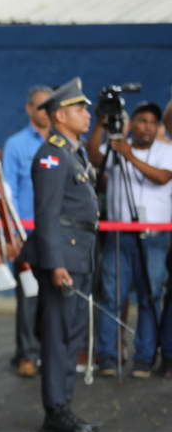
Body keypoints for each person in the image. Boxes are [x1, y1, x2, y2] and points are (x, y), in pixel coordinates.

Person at [16, 78, 100, 432]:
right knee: (58, 334)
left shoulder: (72, 151)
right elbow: (47, 214)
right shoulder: (51, 154)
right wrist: (55, 263)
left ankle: (64, 403)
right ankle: (55, 409)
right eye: (81, 109)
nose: (88, 114)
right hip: (64, 255)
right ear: (60, 115)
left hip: (79, 253)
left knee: (72, 334)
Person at [86, 101, 172, 378]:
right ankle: (108, 356)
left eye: (153, 122)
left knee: (150, 297)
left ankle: (144, 358)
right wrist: (100, 123)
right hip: (119, 235)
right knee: (112, 295)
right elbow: (93, 158)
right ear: (131, 124)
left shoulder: (166, 150)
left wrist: (130, 156)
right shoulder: (116, 147)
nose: (148, 126)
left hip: (154, 237)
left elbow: (161, 177)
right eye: (142, 120)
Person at [2, 86, 53, 377]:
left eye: (49, 107)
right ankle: (27, 354)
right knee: (29, 296)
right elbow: (8, 191)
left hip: (56, 231)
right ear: (29, 109)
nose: (45, 112)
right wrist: (13, 233)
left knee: (54, 296)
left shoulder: (63, 144)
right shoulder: (16, 144)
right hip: (27, 232)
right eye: (40, 107)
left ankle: (49, 351)